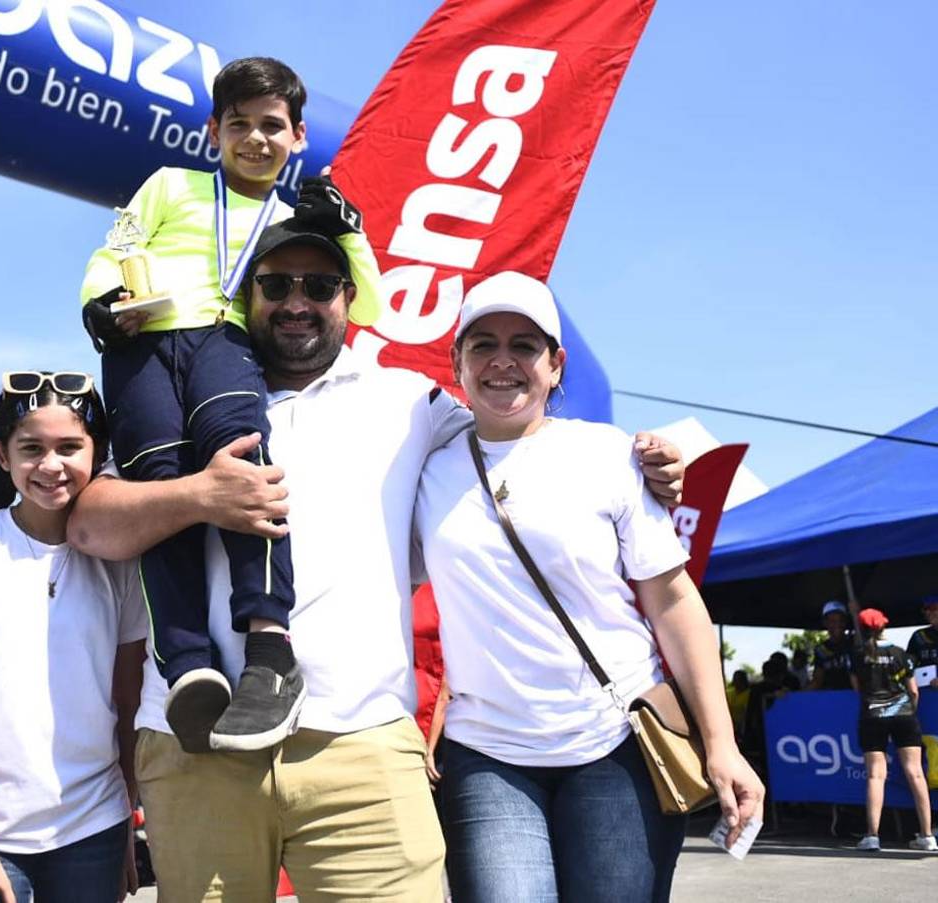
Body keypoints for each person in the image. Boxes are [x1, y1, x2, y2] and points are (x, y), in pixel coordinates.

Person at [68, 216, 687, 901]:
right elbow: (92, 527)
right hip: (197, 743)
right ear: (246, 296)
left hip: (363, 749)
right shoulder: (181, 395)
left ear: (349, 297)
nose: (298, 300)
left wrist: (643, 458)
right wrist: (198, 495)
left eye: (321, 284)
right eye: (276, 284)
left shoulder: (408, 401)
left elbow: (520, 439)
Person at [413, 278, 763, 902]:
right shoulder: (424, 468)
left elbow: (675, 602)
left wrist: (722, 745)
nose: (503, 360)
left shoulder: (608, 455)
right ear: (456, 361)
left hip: (617, 742)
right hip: (485, 753)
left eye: (525, 345)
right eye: (483, 344)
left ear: (555, 365)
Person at [78, 56, 382, 754]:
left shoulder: (297, 216)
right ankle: (186, 666)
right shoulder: (169, 185)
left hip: (227, 338)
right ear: (212, 130)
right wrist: (97, 302)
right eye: (238, 124)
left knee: (243, 452)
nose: (255, 139)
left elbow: (368, 301)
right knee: (160, 483)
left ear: (299, 136)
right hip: (142, 341)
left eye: (271, 126)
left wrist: (352, 230)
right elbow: (115, 247)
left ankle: (269, 645)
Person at [0, 371, 147, 903]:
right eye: (31, 448)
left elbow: (128, 704)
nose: (50, 465)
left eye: (70, 447)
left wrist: (126, 828)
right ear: (2, 454)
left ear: (99, 451)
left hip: (94, 829)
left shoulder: (121, 563)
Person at [850, 608, 936, 852]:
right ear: (884, 626)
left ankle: (872, 836)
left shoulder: (857, 655)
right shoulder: (902, 654)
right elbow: (914, 691)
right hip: (904, 715)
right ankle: (928, 836)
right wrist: (907, 710)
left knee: (876, 775)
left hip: (872, 716)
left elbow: (857, 688)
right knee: (916, 774)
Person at [809, 600, 856, 689]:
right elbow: (817, 681)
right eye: (832, 621)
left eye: (841, 620)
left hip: (854, 698)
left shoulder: (854, 642)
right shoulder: (821, 650)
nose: (837, 624)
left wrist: (856, 615)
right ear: (825, 623)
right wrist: (791, 695)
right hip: (831, 699)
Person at [905, 594, 938, 686]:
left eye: (933, 608)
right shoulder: (919, 636)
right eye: (925, 609)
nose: (928, 613)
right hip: (926, 691)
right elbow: (908, 663)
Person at [726, 669, 751, 740]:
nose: (737, 682)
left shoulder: (749, 694)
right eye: (735, 679)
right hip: (729, 726)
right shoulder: (728, 693)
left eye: (739, 679)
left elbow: (747, 713)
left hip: (744, 727)